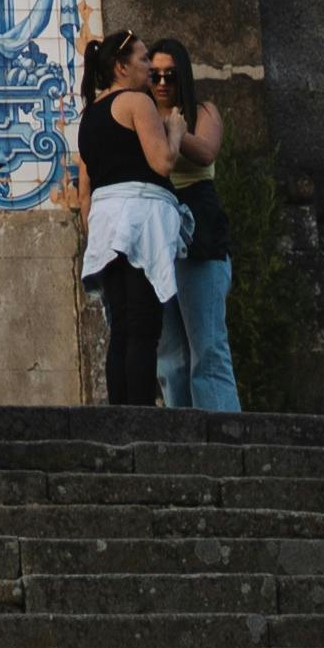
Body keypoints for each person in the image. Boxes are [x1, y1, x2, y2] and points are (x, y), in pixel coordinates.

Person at [74, 25, 187, 407]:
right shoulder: (137, 103)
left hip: (106, 222)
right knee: (142, 325)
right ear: (121, 67)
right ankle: (140, 415)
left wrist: (94, 233)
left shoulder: (89, 114)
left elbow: (84, 189)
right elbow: (163, 162)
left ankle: (118, 414)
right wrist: (173, 130)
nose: (149, 69)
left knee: (121, 326)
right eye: (142, 60)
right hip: (140, 218)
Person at [139, 37, 242, 416]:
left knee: (207, 347)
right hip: (159, 233)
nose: (163, 83)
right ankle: (183, 437)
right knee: (170, 355)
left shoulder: (202, 111)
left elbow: (207, 151)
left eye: (170, 75)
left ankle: (225, 433)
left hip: (200, 232)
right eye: (155, 75)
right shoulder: (141, 114)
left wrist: (174, 132)